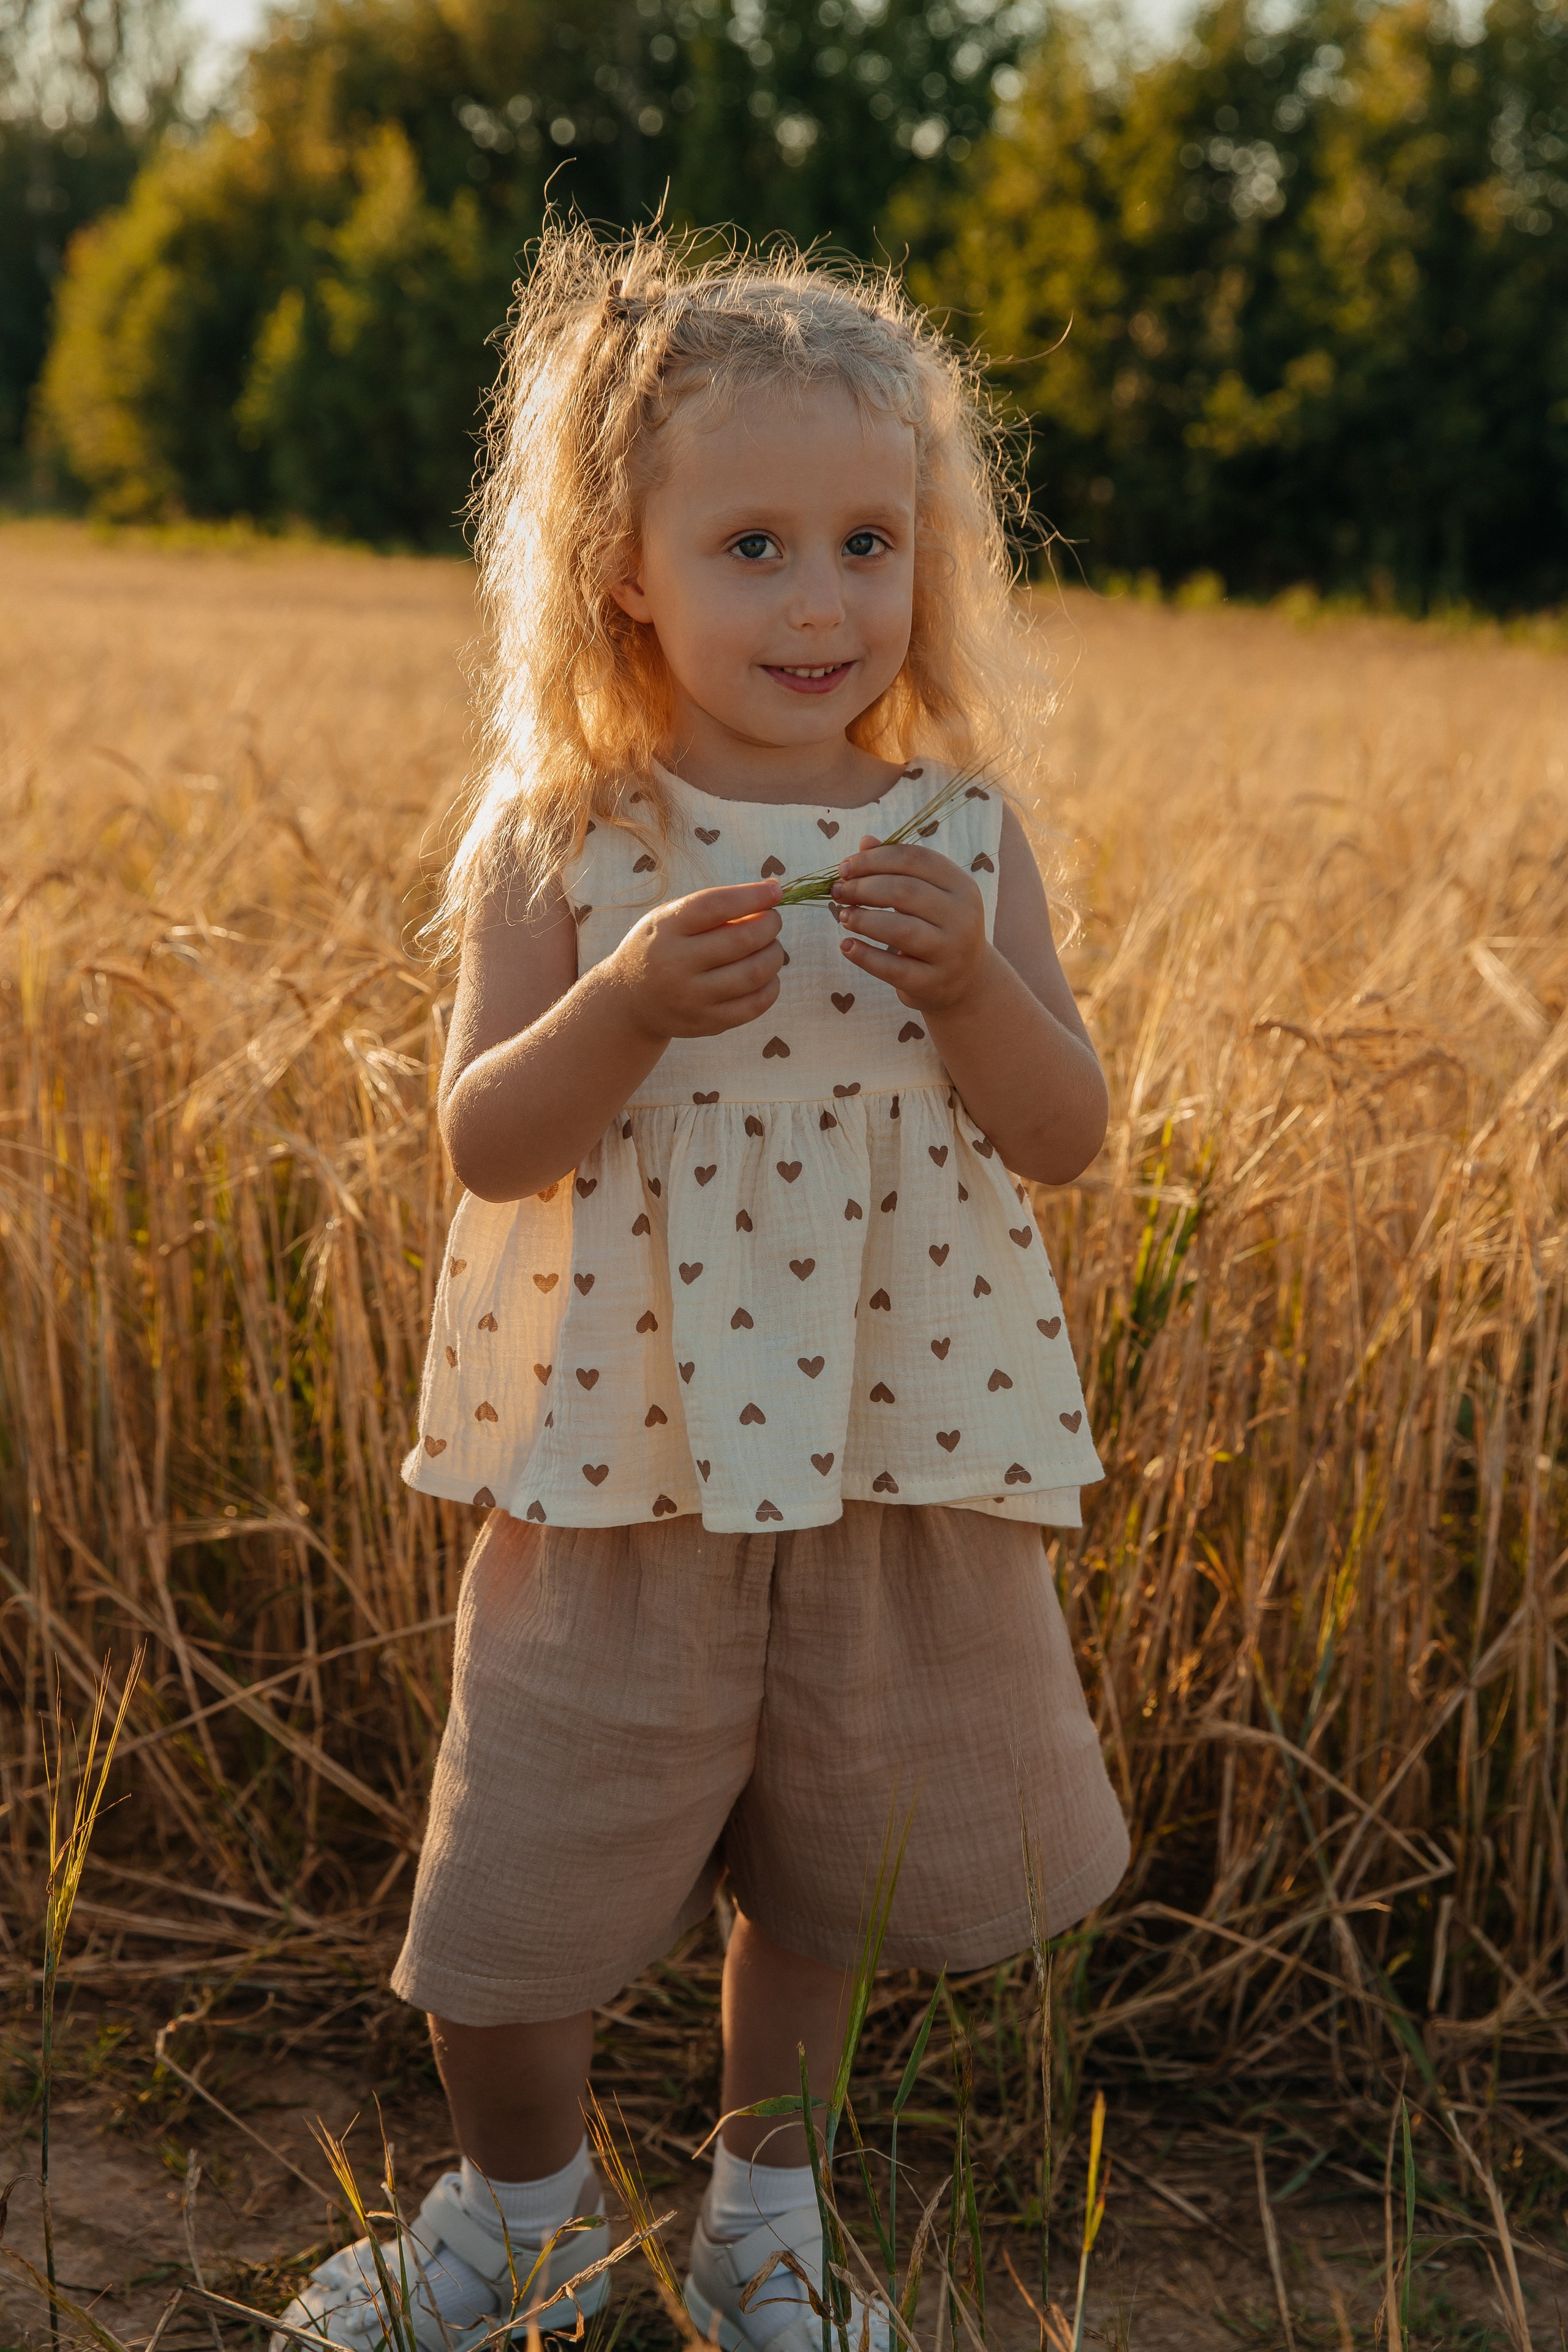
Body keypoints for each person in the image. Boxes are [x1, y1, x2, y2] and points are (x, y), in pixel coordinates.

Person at [274, 222, 1128, 2352]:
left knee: (828, 1864)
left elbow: (1064, 1130)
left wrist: (971, 993)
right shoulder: (566, 834)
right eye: (756, 544)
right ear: (620, 568)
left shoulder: (958, 828)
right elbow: (489, 1142)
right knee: (526, 1877)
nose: (829, 599)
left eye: (872, 539)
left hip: (877, 1431)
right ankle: (523, 2219)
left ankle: (766, 2226)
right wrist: (628, 1008)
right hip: (615, 1441)